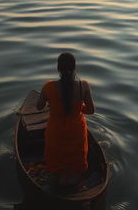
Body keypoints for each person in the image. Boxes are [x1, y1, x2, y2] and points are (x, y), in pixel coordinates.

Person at [36, 52, 95, 188]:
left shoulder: (48, 87)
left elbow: (39, 107)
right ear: (75, 68)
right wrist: (79, 108)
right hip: (76, 133)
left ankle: (58, 180)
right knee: (75, 166)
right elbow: (91, 110)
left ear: (58, 68)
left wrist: (49, 102)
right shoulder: (83, 86)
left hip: (55, 133)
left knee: (56, 164)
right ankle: (74, 181)